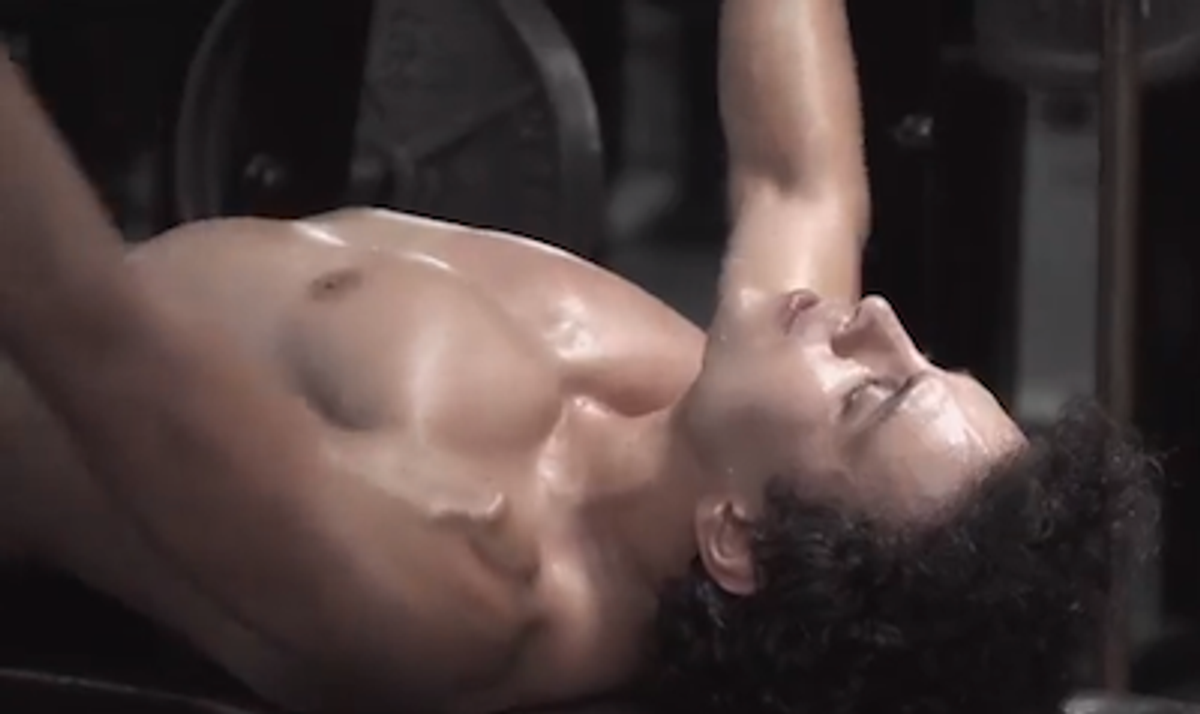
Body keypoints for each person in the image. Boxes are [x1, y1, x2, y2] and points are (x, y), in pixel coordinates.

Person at [0, 1, 1156, 713]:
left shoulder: (451, 580)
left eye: (871, 393)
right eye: (926, 357)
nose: (877, 317)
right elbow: (796, 180)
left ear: (739, 538)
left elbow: (94, 341)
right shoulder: (735, 411)